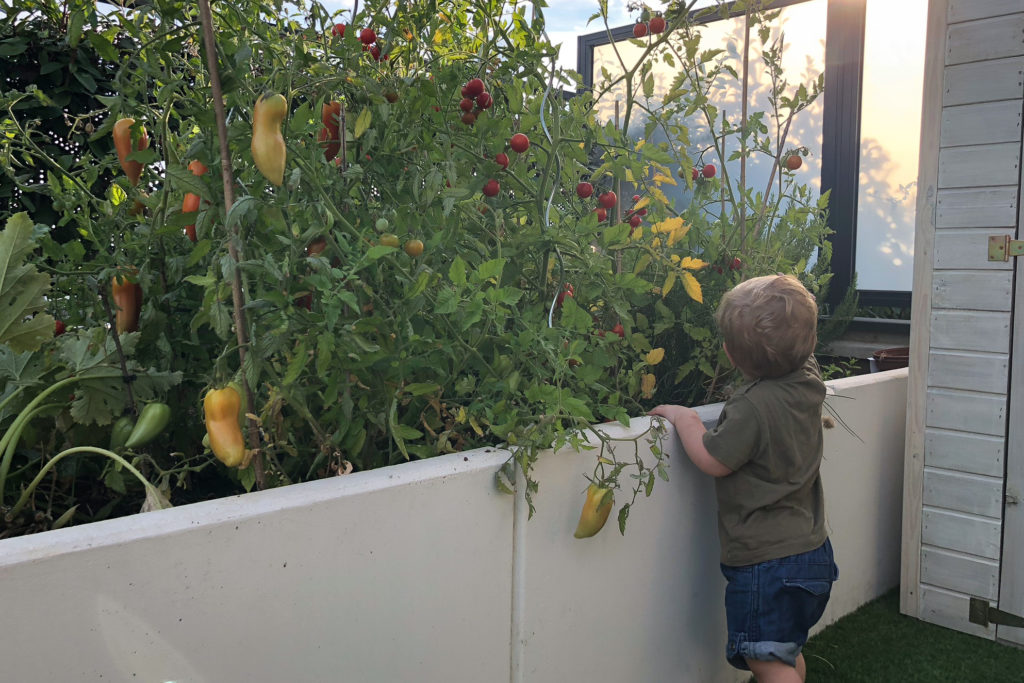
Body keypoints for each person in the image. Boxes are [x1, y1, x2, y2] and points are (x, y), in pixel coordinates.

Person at [648, 274, 838, 683]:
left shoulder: (751, 408)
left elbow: (713, 459)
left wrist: (685, 418)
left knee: (767, 661)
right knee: (783, 651)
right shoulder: (808, 377)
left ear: (731, 355)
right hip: (813, 551)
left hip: (767, 561)